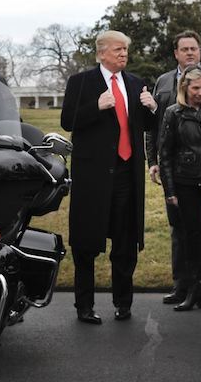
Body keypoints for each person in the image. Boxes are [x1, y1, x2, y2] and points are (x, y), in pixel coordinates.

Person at [60, 30, 157, 324]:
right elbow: (67, 121)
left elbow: (145, 125)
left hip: (127, 174)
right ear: (101, 53)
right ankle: (84, 306)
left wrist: (152, 108)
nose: (123, 54)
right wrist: (95, 107)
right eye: (118, 50)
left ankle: (123, 303)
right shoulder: (81, 82)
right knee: (86, 242)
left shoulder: (135, 83)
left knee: (125, 242)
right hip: (93, 176)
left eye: (125, 50)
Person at [146, 30, 201, 307]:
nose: (190, 53)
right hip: (179, 170)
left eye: (194, 48)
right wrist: (153, 161)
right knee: (180, 229)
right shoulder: (164, 81)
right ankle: (183, 285)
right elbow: (154, 127)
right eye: (185, 49)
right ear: (176, 53)